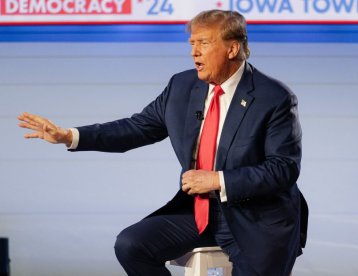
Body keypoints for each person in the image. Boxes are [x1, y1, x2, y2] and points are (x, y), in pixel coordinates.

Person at [18, 9, 308, 276]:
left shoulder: (274, 97)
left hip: (257, 219)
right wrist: (69, 136)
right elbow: (136, 128)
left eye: (204, 43)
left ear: (232, 48)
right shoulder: (182, 86)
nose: (194, 51)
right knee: (132, 245)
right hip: (200, 212)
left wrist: (218, 180)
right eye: (192, 43)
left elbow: (283, 169)